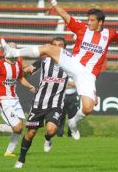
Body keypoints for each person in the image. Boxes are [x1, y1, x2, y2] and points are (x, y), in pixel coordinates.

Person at [0, 0, 118, 140]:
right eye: (88, 19)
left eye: (92, 20)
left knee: (88, 108)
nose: (88, 22)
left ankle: (73, 122)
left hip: (88, 75)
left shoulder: (109, 34)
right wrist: (53, 1)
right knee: (49, 48)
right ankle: (13, 53)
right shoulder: (82, 28)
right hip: (74, 62)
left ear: (100, 22)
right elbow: (65, 15)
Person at [14, 37, 69, 168]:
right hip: (39, 103)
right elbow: (28, 71)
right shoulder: (44, 60)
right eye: (54, 45)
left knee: (50, 130)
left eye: (60, 45)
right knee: (31, 133)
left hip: (56, 103)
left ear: (64, 48)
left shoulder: (70, 63)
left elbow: (82, 78)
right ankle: (21, 159)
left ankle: (48, 139)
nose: (56, 47)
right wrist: (24, 71)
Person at [0, 42, 36, 157]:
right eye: (13, 49)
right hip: (3, 99)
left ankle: (9, 152)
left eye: (16, 50)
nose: (16, 52)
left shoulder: (17, 64)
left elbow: (21, 78)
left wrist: (31, 87)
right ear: (7, 51)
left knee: (20, 127)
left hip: (14, 99)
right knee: (17, 127)